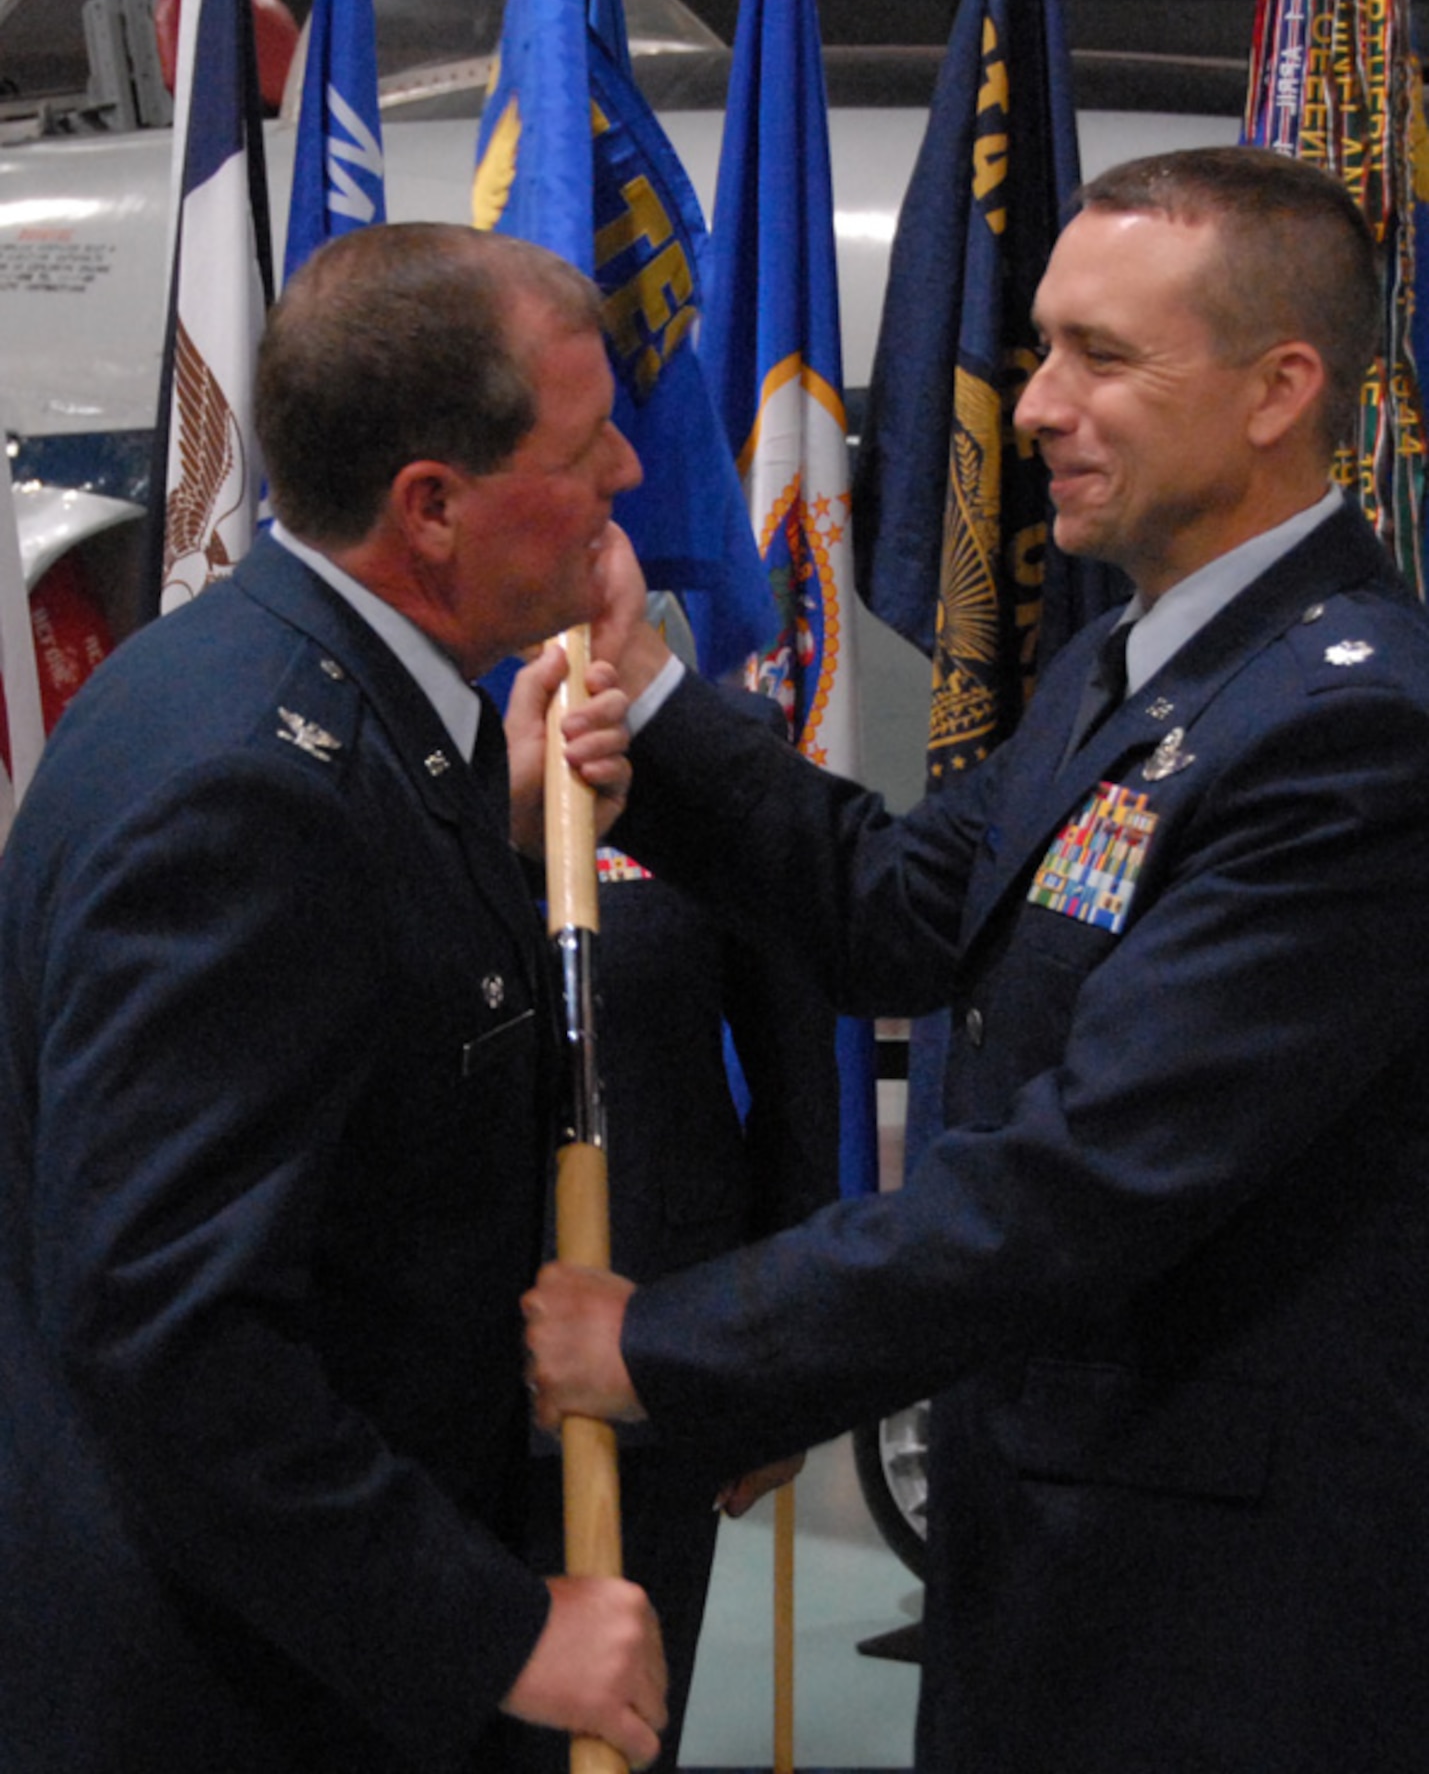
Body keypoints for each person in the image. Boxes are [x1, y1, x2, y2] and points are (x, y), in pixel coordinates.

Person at [524, 146, 1429, 1771]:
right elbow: (896, 912)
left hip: (1223, 1601)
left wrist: (660, 1344)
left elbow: (1073, 1184)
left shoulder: (1344, 731)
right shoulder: (1144, 659)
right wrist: (653, 695)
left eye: (1101, 357)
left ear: (1276, 387)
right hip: (1066, 1527)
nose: (1027, 409)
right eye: (1038, 350)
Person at [0, 221, 666, 1772]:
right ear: (430, 508)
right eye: (582, 448)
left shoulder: (274, 693)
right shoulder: (257, 799)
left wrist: (466, 834)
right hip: (246, 1696)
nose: (629, 475)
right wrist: (495, 1632)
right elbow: (174, 1336)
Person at [514, 627, 841, 1774]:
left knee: (625, 1740)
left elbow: (796, 1084)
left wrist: (781, 1366)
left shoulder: (709, 758)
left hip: (655, 1349)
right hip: (434, 1374)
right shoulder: (406, 737)